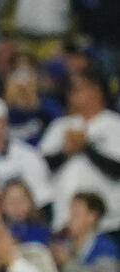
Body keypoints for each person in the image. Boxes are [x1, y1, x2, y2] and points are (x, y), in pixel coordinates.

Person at [39, 67, 120, 235]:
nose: (71, 93)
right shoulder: (60, 126)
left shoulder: (114, 125)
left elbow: (117, 170)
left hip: (108, 224)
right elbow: (42, 167)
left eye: (78, 88)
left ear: (97, 91)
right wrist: (66, 152)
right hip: (64, 223)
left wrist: (86, 147)